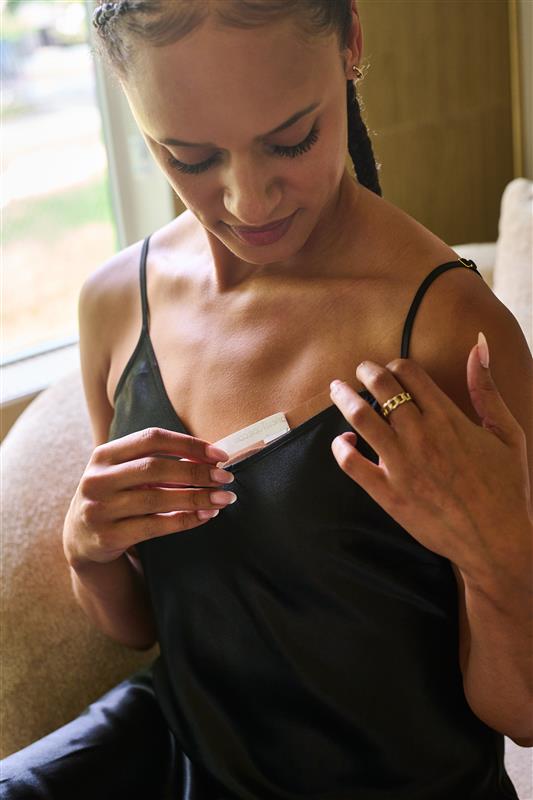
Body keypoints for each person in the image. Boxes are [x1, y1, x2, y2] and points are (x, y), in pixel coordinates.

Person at [2, 1, 532, 798]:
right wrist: (87, 546)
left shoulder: (452, 333)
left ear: (350, 41)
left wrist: (505, 560)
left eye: (291, 140)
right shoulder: (115, 305)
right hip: (185, 761)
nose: (249, 203)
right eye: (188, 157)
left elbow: (521, 716)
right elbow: (140, 626)